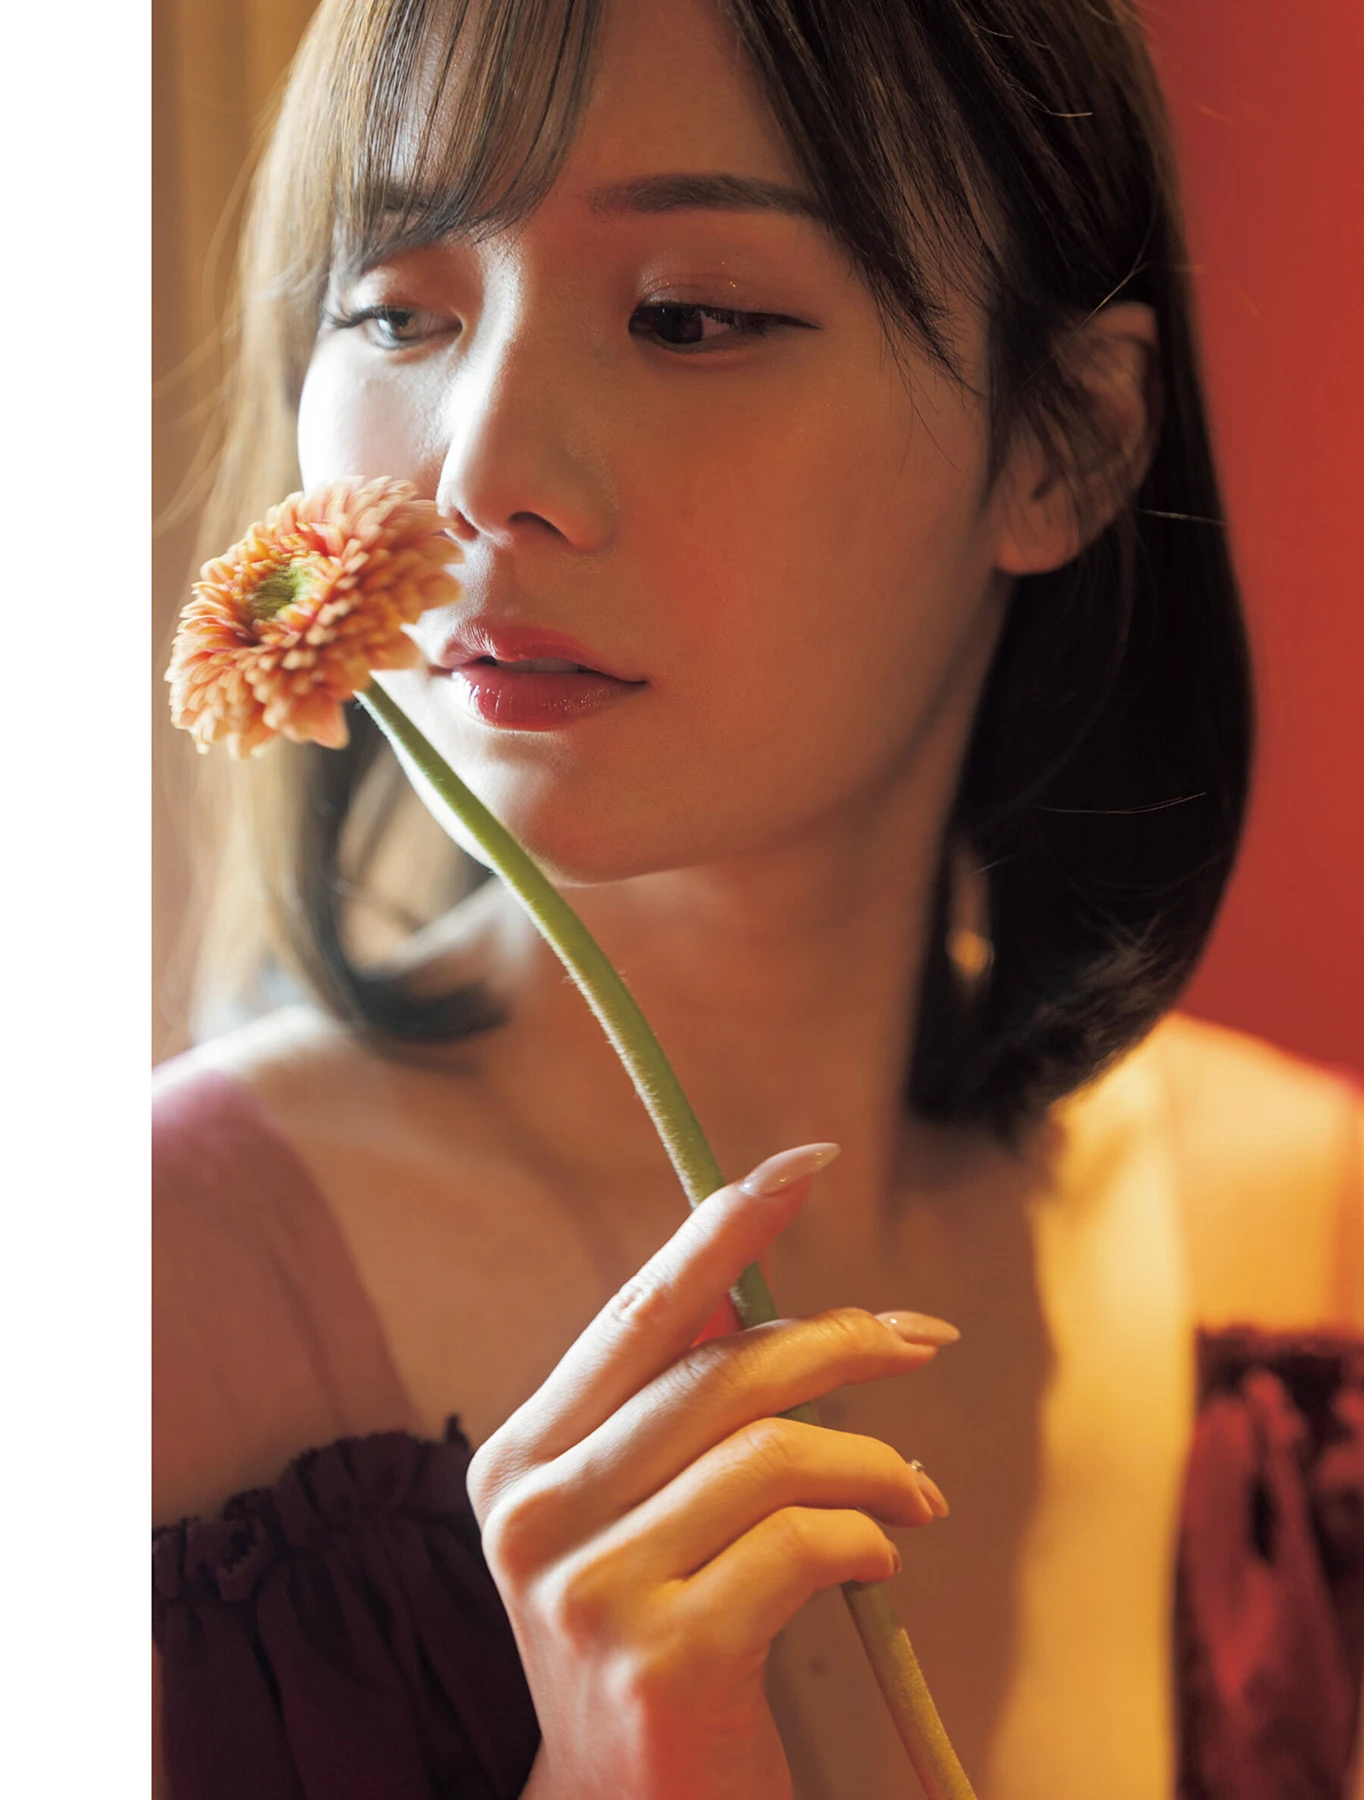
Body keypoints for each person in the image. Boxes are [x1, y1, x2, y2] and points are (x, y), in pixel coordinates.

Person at [152, 0, 1364, 1795]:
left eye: (692, 316)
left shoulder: (1309, 1251)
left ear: (1067, 444)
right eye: (399, 312)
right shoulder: (145, 1302)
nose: (481, 476)